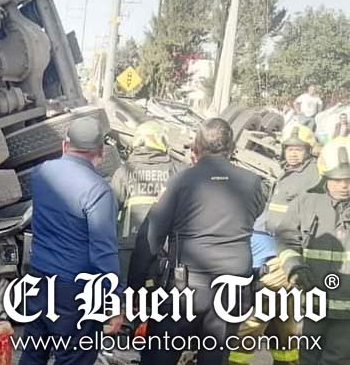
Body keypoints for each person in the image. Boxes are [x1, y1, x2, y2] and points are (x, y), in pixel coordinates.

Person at [129, 118, 268, 365]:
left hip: (184, 290)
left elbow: (150, 237)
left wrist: (135, 287)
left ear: (197, 147)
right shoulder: (253, 183)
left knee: (158, 356)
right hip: (232, 290)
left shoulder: (182, 181)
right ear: (232, 146)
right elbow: (253, 215)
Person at [20, 116, 123, 365]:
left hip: (38, 279)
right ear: (100, 153)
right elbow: (103, 251)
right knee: (74, 358)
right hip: (74, 294)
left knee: (34, 352)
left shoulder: (40, 173)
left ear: (65, 146)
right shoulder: (98, 191)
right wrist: (115, 299)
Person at [229, 124, 319, 365]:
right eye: (290, 148)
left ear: (309, 151)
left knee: (254, 319)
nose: (293, 153)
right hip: (278, 252)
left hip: (282, 256)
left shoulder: (311, 178)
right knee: (284, 322)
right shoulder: (289, 174)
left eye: (299, 149)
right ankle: (287, 361)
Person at [276, 137, 350, 365]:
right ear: (325, 177)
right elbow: (286, 238)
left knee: (337, 359)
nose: (344, 185)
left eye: (349, 179)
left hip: (347, 311)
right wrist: (294, 266)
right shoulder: (306, 201)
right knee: (307, 357)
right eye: (337, 179)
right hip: (313, 303)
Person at [110, 120, 183, 283]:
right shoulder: (175, 170)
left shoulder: (124, 171)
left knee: (124, 291)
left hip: (127, 245)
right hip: (161, 246)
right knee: (156, 289)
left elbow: (111, 208)